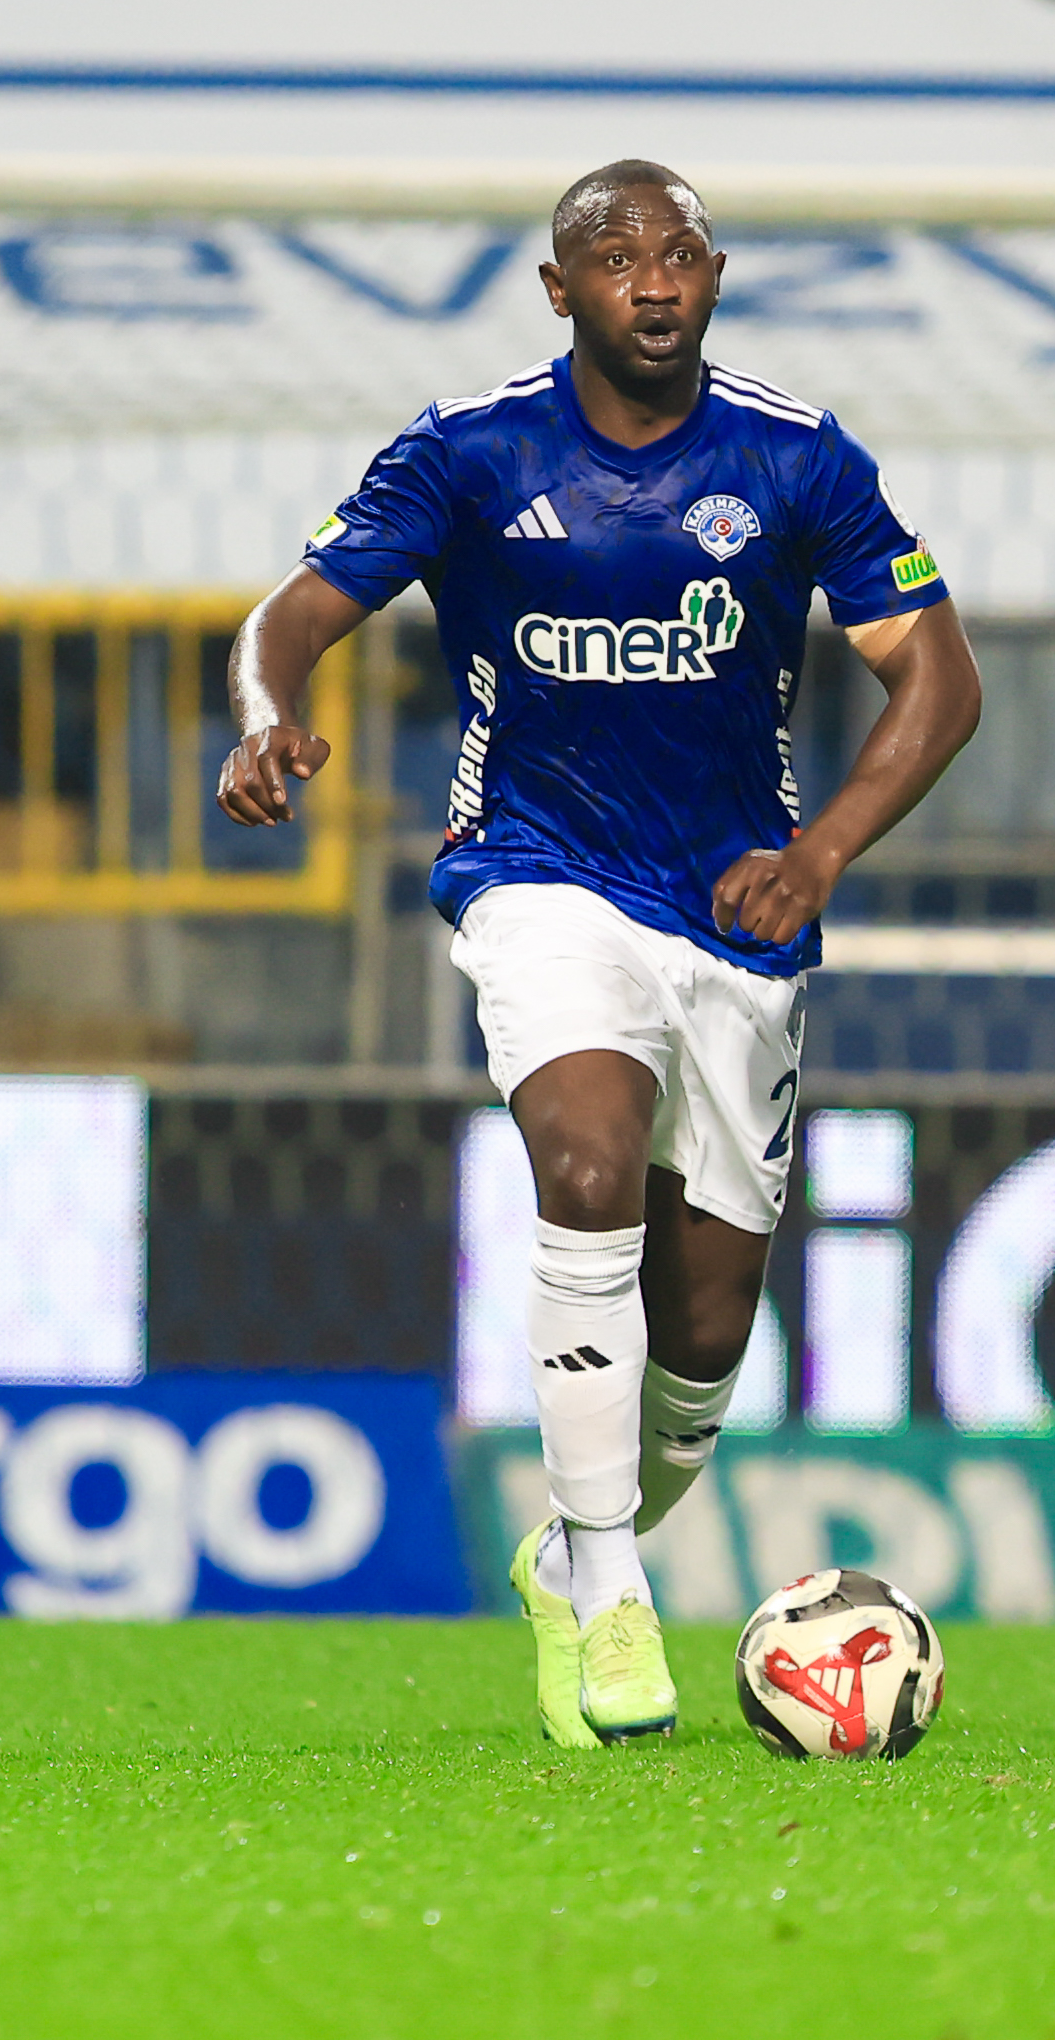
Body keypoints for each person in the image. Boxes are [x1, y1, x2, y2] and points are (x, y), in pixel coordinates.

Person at [217, 160, 979, 1745]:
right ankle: (616, 1597)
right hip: (536, 873)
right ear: (560, 289)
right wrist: (267, 714)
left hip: (737, 910)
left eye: (679, 252)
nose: (654, 278)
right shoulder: (471, 449)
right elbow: (288, 615)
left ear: (716, 275)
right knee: (582, 1165)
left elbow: (941, 678)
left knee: (699, 1350)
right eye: (617, 256)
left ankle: (573, 1541)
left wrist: (821, 852)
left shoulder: (794, 456)